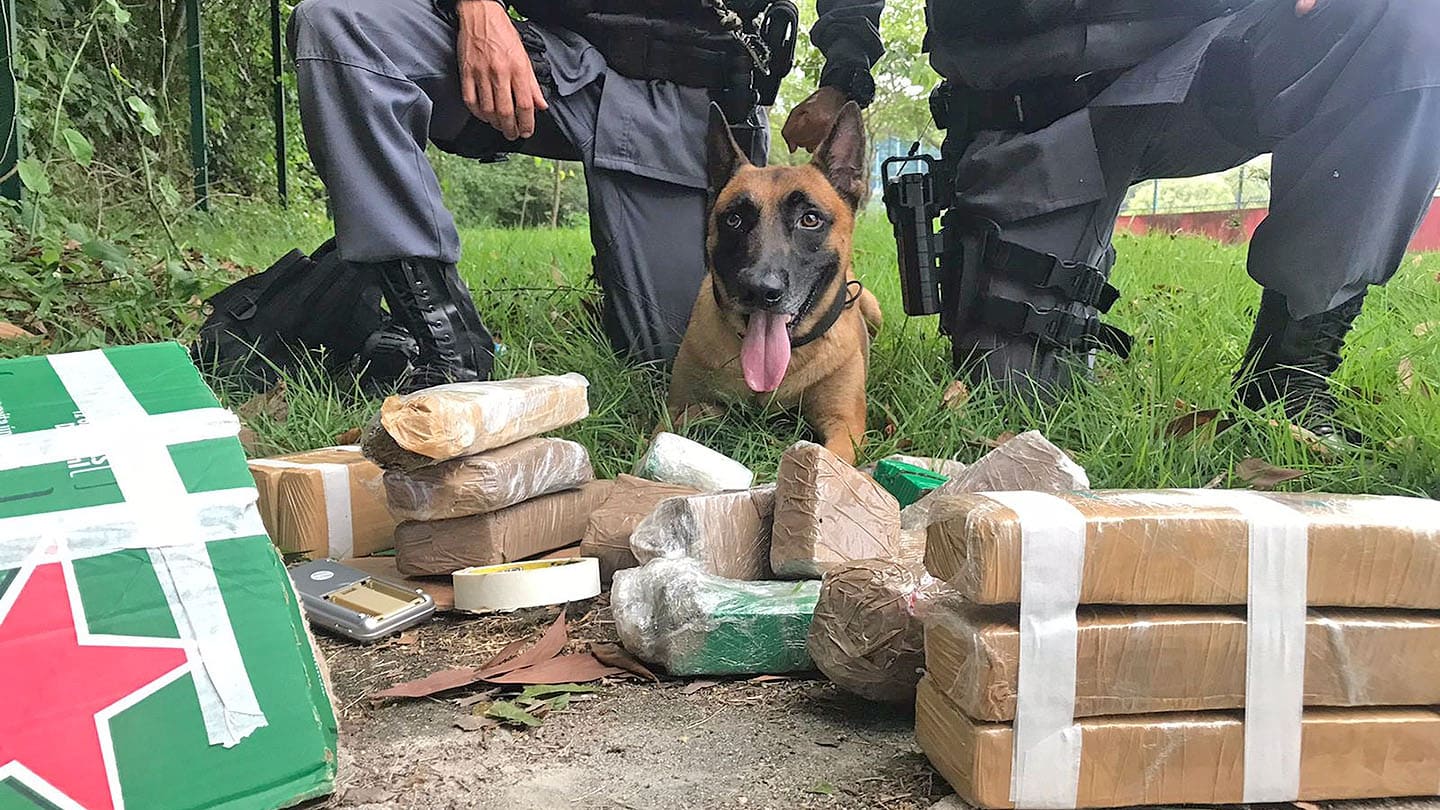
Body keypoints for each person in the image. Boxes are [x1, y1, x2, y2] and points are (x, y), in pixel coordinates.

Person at [784, 0, 1440, 443]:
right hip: (1022, 110)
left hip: (1206, 62)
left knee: (1405, 18)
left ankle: (1290, 371)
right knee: (1018, 402)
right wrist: (845, 70)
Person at [287, 0, 883, 392]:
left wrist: (843, 76)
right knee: (340, 25)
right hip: (550, 56)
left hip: (693, 97)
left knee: (677, 357)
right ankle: (447, 345)